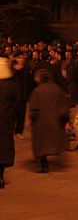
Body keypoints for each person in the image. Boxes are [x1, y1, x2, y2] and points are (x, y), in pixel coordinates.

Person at [29, 69, 69, 173]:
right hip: (54, 121)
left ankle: (44, 166)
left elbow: (33, 109)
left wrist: (32, 118)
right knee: (52, 141)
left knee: (41, 145)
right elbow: (63, 104)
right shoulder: (56, 88)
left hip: (41, 123)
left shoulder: (37, 91)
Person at [0, 54, 19, 188]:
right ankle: (0, 176)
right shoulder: (12, 85)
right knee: (4, 149)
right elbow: (17, 103)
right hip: (6, 121)